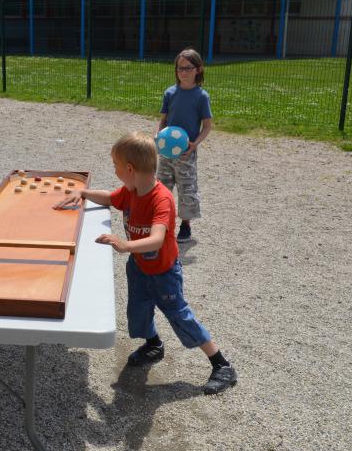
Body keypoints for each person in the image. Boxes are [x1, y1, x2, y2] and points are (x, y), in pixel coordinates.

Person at [54, 132, 236, 395]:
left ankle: (221, 364)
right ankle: (154, 345)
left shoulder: (161, 199)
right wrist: (83, 193)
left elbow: (157, 239)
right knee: (138, 310)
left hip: (163, 272)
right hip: (139, 266)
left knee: (179, 315)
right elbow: (109, 198)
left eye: (116, 166)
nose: (115, 171)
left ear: (129, 169)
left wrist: (126, 245)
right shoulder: (131, 191)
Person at [157, 48, 213, 243]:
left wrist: (194, 144)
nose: (183, 72)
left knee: (187, 189)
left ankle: (185, 225)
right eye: (180, 68)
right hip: (166, 153)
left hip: (186, 153)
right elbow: (163, 121)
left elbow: (207, 126)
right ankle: (162, 222)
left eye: (188, 68)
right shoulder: (170, 93)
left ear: (198, 69)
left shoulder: (201, 96)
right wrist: (159, 138)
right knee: (162, 187)